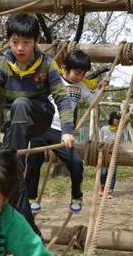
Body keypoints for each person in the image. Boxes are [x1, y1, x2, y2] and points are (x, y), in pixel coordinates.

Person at [0, 13, 75, 234]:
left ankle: (14, 165)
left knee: (20, 104)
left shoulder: (46, 64)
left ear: (36, 41)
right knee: (11, 176)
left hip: (40, 117)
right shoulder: (3, 62)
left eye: (26, 42)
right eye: (15, 42)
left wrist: (67, 131)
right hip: (17, 123)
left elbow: (62, 98)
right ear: (9, 40)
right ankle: (28, 227)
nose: (20, 48)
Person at [25, 50, 102, 214]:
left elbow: (93, 102)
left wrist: (100, 89)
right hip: (41, 126)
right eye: (76, 73)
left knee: (75, 162)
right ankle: (30, 198)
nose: (80, 77)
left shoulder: (81, 87)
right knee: (34, 160)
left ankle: (76, 196)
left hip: (62, 131)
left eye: (83, 74)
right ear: (65, 68)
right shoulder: (54, 79)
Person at [98, 111, 121, 199]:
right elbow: (101, 140)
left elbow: (120, 142)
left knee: (113, 173)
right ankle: (102, 187)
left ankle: (110, 190)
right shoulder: (104, 129)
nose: (117, 121)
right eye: (116, 119)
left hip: (114, 153)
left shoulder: (119, 130)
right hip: (105, 153)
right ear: (111, 119)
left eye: (119, 119)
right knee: (103, 172)